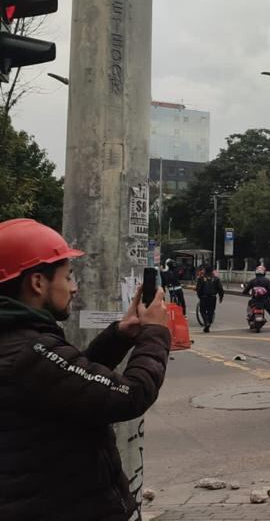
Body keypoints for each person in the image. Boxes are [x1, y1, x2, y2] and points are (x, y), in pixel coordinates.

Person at [0, 218, 170, 520]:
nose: (74, 287)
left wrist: (119, 334)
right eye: (67, 277)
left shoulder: (19, 343)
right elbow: (130, 395)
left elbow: (71, 384)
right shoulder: (31, 351)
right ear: (38, 282)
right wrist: (155, 332)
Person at [243, 266, 270, 330]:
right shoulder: (267, 281)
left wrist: (246, 293)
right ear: (264, 273)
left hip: (255, 300)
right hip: (265, 301)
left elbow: (245, 290)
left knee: (249, 306)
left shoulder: (252, 281)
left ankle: (250, 319)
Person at [194, 266, 224, 333]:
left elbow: (198, 289)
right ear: (212, 271)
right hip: (213, 297)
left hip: (203, 297)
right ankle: (209, 322)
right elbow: (220, 290)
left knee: (203, 311)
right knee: (211, 310)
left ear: (205, 271)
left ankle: (206, 323)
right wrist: (221, 297)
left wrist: (199, 297)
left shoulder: (201, 279)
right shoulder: (216, 279)